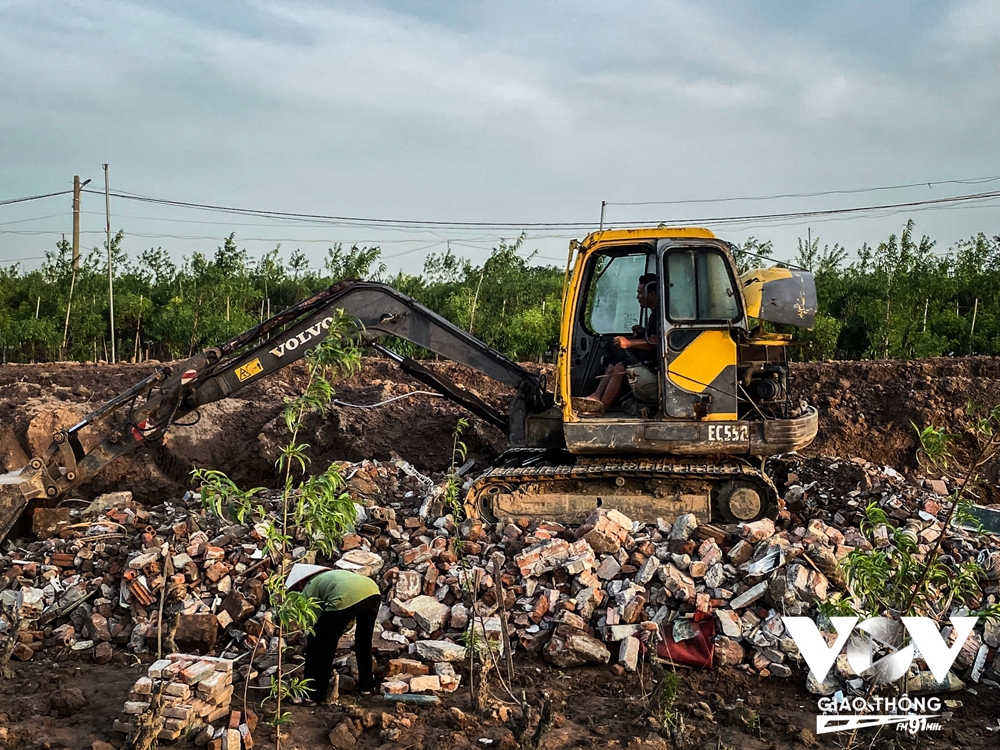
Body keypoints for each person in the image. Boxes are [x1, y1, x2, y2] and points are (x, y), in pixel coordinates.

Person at [286, 563, 381, 704]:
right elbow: (347, 615)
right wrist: (340, 628)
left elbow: (313, 621)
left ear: (300, 583)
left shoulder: (309, 586)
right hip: (372, 591)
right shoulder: (332, 575)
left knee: (319, 644)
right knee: (363, 641)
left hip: (345, 596)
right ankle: (366, 687)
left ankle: (313, 694)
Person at [582, 273, 660, 412]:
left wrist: (629, 343)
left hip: (657, 363)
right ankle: (596, 397)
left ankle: (601, 409)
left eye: (640, 293)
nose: (637, 297)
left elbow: (656, 341)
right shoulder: (655, 314)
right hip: (650, 357)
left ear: (653, 294)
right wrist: (643, 331)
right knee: (613, 362)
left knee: (620, 367)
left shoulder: (660, 314)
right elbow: (653, 335)